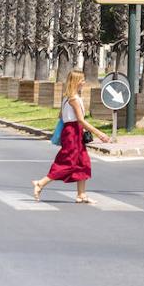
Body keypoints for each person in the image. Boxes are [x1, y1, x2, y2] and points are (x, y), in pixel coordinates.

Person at [32, 70, 110, 204]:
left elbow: (60, 116)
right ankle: (40, 183)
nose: (84, 82)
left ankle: (81, 195)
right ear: (76, 81)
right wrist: (99, 133)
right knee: (67, 162)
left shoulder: (67, 97)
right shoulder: (73, 99)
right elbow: (80, 120)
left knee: (83, 163)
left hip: (73, 131)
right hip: (72, 132)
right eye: (82, 79)